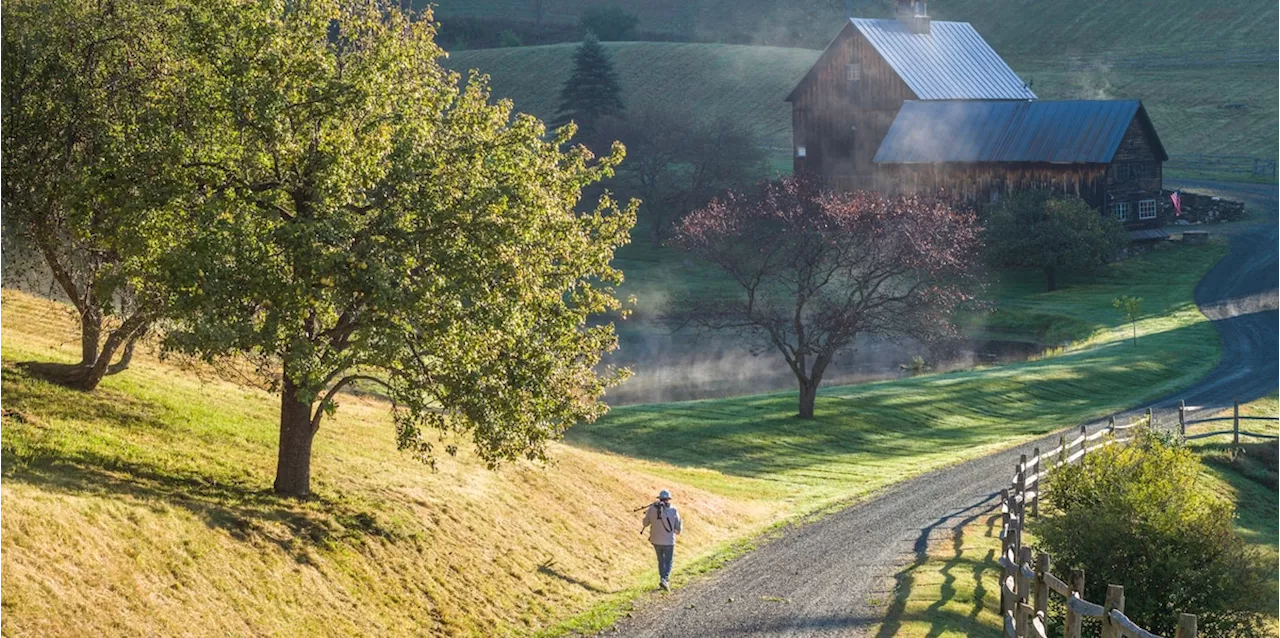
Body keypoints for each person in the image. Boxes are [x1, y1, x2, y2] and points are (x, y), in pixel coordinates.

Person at [640, 489, 682, 591]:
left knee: (661, 560)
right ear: (669, 499)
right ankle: (665, 579)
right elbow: (678, 526)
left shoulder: (652, 509)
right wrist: (677, 531)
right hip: (669, 541)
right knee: (668, 561)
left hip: (656, 540)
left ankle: (662, 578)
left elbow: (645, 523)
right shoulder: (673, 510)